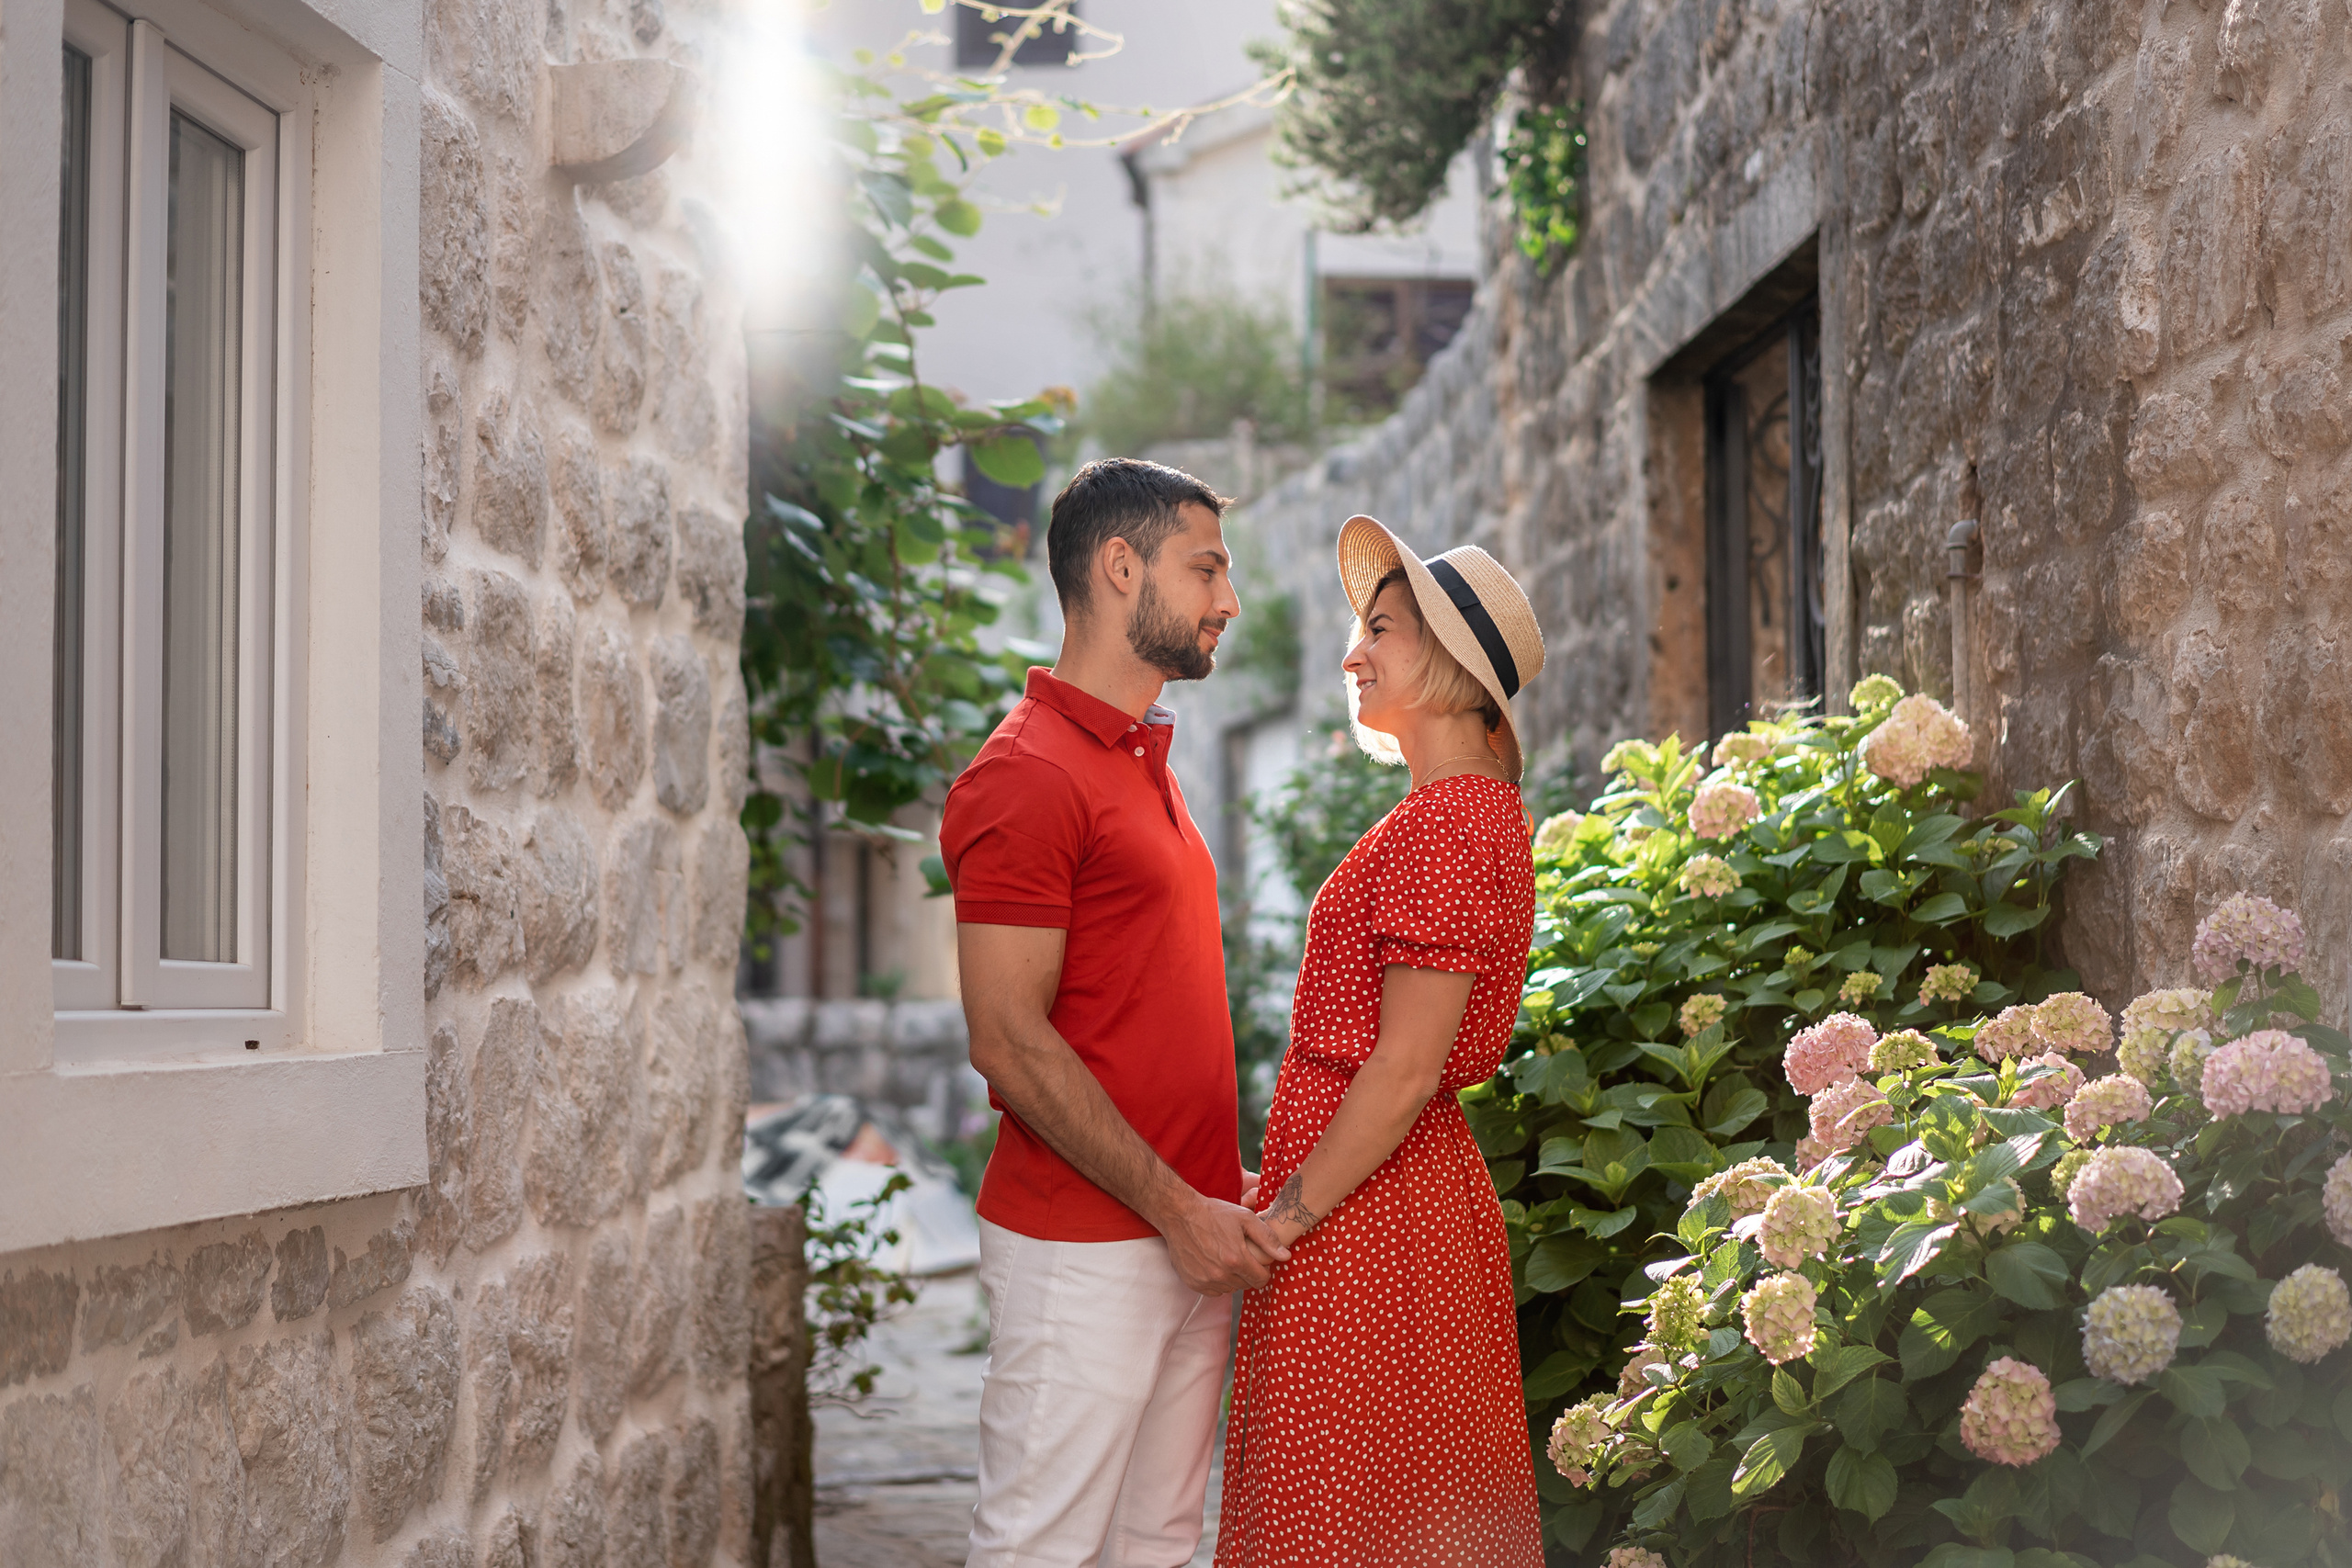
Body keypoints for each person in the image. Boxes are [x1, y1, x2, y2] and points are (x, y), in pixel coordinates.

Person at [942, 457, 1288, 1568]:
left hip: (1187, 1233)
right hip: (1082, 1249)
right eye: (1206, 569)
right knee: (1038, 1550)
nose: (1228, 601)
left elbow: (1137, 1010)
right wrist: (1175, 1206)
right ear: (1120, 566)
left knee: (1154, 1546)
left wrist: (1210, 1191)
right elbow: (1006, 1036)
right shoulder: (1025, 774)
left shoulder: (1144, 761)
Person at [1215, 514, 1548, 1567]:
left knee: (1345, 1514)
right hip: (1386, 1198)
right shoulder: (1462, 812)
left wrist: (1283, 1219)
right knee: (1385, 1509)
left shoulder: (1448, 821)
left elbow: (1403, 1068)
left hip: (1371, 1218)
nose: (1352, 654)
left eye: (1382, 629)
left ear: (1451, 659)